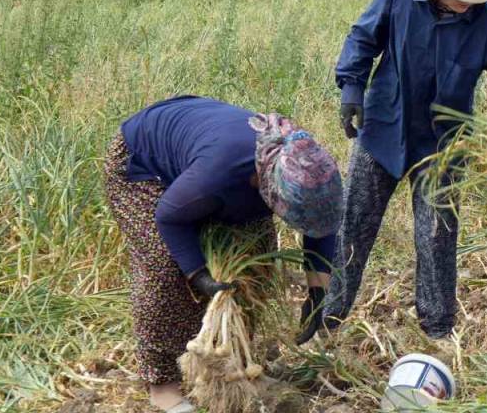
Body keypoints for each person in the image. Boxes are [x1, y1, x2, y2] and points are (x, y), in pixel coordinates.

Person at [323, 0, 487, 341]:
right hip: (384, 129)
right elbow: (361, 40)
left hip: (445, 145)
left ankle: (438, 331)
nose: (470, 2)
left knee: (437, 237)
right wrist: (351, 90)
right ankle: (329, 318)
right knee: (354, 226)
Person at [104, 96, 343, 413]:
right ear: (269, 189)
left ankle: (234, 364)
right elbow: (169, 217)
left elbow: (321, 226)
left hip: (212, 165)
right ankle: (162, 384)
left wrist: (317, 295)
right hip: (143, 165)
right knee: (164, 267)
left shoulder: (310, 169)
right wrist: (198, 275)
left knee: (256, 263)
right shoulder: (219, 173)